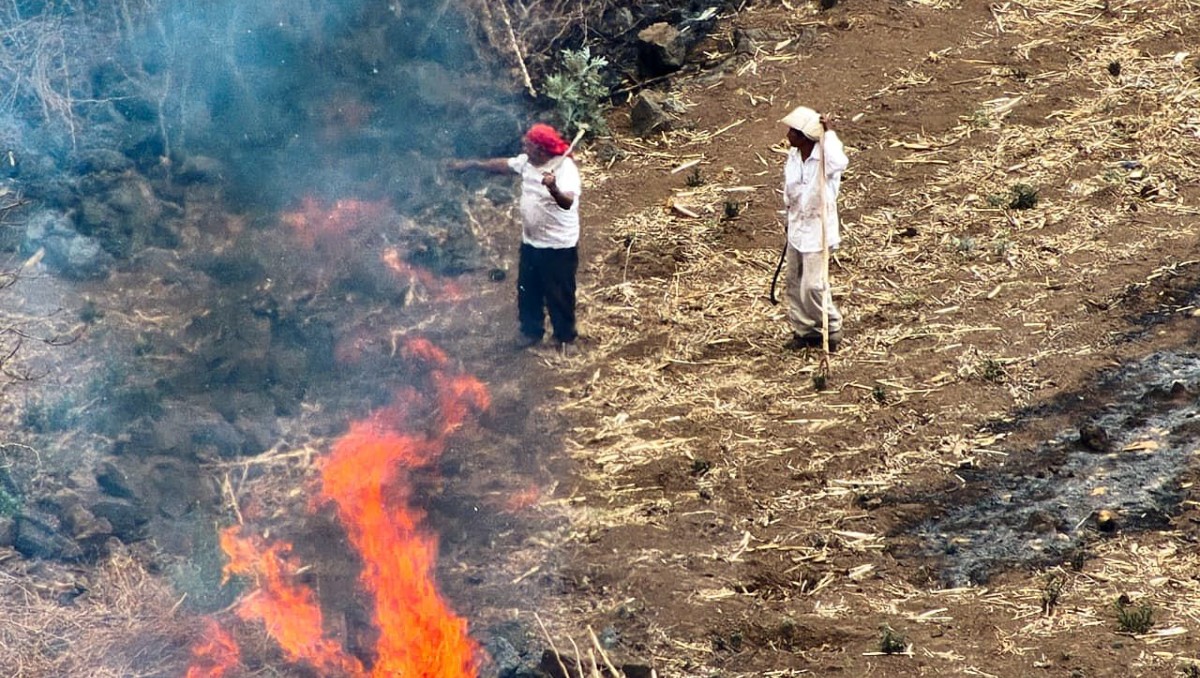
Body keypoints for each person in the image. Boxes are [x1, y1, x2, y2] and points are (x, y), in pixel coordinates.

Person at [447, 123, 583, 354]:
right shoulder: (528, 163)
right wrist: (471, 164)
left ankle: (565, 337)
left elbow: (567, 202)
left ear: (541, 150)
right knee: (528, 289)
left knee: (559, 293)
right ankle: (531, 331)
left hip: (558, 247)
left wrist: (553, 188)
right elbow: (503, 165)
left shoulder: (564, 169)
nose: (523, 147)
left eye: (528, 145)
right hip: (531, 242)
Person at [778, 105, 849, 352]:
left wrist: (829, 133)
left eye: (792, 131)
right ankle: (805, 330)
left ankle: (831, 325)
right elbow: (792, 189)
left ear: (804, 135)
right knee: (793, 283)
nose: (788, 135)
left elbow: (841, 161)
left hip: (818, 229)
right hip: (797, 225)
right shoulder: (794, 156)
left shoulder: (825, 159)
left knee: (813, 286)